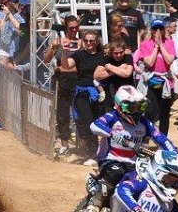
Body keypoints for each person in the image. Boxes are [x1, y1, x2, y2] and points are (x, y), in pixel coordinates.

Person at [82, 85, 178, 212]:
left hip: (134, 163)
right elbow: (95, 125)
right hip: (110, 159)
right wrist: (112, 134)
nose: (137, 112)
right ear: (120, 107)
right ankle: (94, 203)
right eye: (132, 108)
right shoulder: (112, 117)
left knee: (146, 181)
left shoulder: (144, 123)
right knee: (116, 172)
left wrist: (174, 153)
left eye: (140, 107)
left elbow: (161, 138)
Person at [132, 18, 178, 135]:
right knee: (149, 111)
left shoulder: (169, 43)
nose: (158, 31)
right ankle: (146, 137)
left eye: (160, 28)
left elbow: (169, 60)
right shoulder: (145, 44)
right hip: (151, 82)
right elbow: (149, 62)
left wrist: (161, 46)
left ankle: (163, 139)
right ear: (152, 30)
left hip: (166, 82)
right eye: (155, 29)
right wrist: (155, 47)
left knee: (164, 113)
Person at [43, 14, 82, 157]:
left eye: (76, 27)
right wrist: (53, 48)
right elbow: (46, 60)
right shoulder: (58, 41)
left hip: (77, 79)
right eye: (71, 28)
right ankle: (64, 143)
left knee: (80, 112)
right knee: (62, 112)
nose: (74, 30)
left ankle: (81, 142)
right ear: (66, 28)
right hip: (61, 80)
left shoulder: (82, 43)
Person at [65, 29, 105, 161]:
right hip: (82, 92)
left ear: (96, 41)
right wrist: (64, 52)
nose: (89, 43)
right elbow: (67, 65)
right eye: (86, 41)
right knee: (88, 122)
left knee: (100, 122)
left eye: (91, 41)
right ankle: (93, 154)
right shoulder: (78, 55)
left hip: (100, 92)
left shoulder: (102, 55)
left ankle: (101, 151)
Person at [93, 37, 134, 104]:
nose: (119, 55)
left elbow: (127, 74)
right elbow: (96, 75)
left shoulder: (128, 57)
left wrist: (110, 67)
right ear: (111, 52)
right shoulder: (107, 59)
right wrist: (117, 69)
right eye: (116, 53)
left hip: (127, 92)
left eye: (121, 52)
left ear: (124, 50)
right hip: (111, 93)